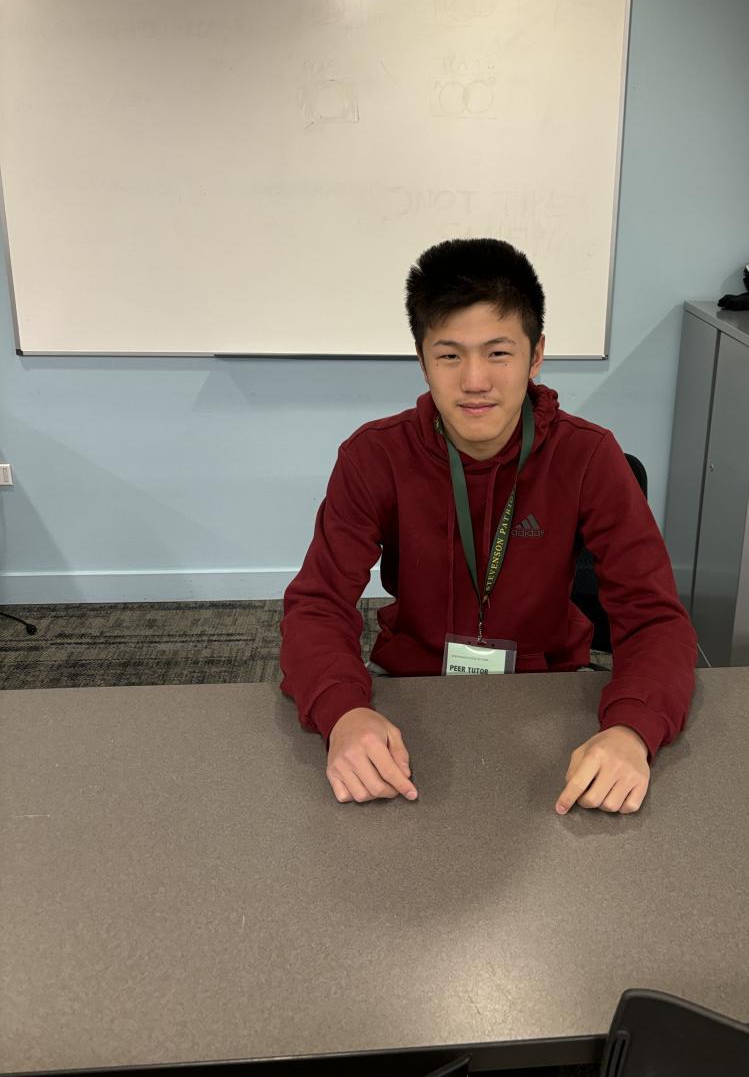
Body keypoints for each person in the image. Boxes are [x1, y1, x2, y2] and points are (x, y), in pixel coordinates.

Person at [280, 239, 696, 814]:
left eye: (498, 353)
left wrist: (632, 729)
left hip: (550, 694)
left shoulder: (588, 457)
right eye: (450, 355)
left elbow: (654, 617)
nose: (475, 381)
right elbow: (318, 605)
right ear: (422, 359)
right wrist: (343, 713)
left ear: (536, 355)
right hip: (410, 694)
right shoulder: (374, 457)